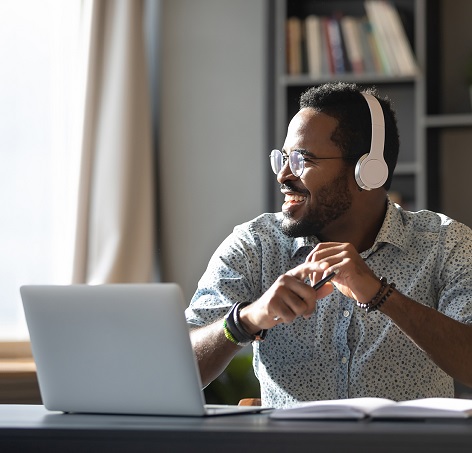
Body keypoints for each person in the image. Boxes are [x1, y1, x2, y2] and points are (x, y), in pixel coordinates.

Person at [186, 82, 472, 408]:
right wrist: (245, 321)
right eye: (282, 159)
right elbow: (173, 366)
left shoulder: (444, 243)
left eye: (301, 160)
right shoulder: (255, 245)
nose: (283, 175)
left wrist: (382, 296)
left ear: (368, 171)